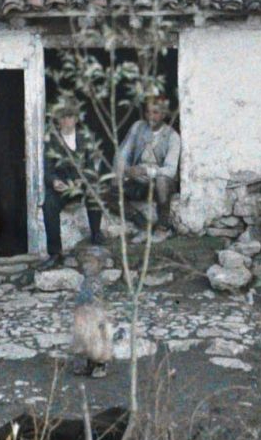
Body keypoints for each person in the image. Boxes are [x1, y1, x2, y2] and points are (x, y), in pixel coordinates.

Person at [42, 101, 106, 268]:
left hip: (80, 183)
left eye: (69, 117)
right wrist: (55, 181)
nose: (66, 121)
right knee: (48, 204)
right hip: (62, 186)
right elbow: (47, 169)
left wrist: (83, 179)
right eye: (62, 117)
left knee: (95, 189)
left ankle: (96, 233)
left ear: (76, 119)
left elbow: (92, 167)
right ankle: (55, 253)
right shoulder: (52, 140)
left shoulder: (85, 138)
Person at [114, 95, 183, 241]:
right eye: (148, 112)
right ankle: (143, 225)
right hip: (138, 181)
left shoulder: (172, 136)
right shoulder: (138, 127)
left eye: (156, 112)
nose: (151, 116)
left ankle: (163, 227)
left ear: (164, 114)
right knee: (108, 191)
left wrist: (147, 171)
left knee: (162, 181)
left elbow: (170, 169)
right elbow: (122, 154)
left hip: (160, 184)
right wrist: (127, 170)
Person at [69, 245, 114, 379]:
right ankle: (89, 364)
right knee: (85, 340)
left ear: (99, 264)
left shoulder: (97, 282)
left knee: (97, 341)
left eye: (91, 263)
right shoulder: (86, 282)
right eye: (85, 263)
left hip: (94, 316)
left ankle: (100, 365)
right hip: (85, 315)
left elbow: (99, 301)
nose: (86, 266)